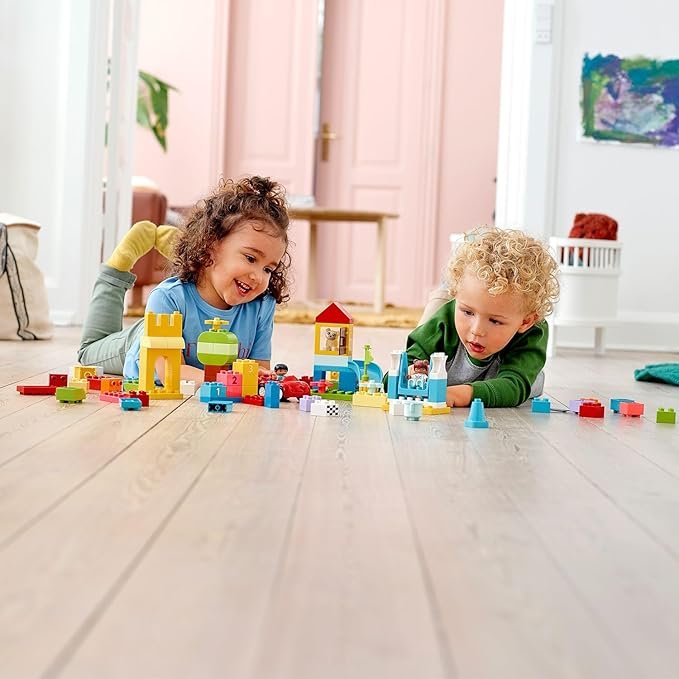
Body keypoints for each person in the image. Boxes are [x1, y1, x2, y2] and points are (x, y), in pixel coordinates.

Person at [78, 175, 291, 386]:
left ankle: (185, 252)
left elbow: (257, 370)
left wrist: (261, 378)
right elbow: (170, 372)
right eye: (250, 258)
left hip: (176, 322)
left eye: (268, 269)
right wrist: (231, 381)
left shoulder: (261, 306)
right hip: (144, 340)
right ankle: (117, 268)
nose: (258, 276)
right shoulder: (166, 298)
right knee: (89, 352)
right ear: (211, 246)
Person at [406, 227, 560, 408]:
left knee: (532, 383)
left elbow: (513, 386)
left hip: (515, 377)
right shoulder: (444, 321)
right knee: (439, 306)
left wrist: (459, 395)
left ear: (525, 322)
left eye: (495, 321)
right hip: (447, 311)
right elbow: (401, 369)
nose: (477, 330)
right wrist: (413, 373)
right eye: (468, 312)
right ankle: (445, 293)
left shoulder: (532, 332)